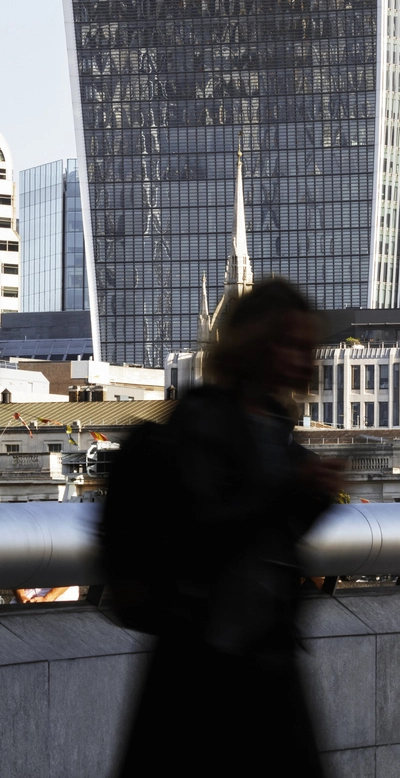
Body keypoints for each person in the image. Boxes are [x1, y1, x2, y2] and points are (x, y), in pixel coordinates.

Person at [113, 279, 342, 778]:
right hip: (203, 668)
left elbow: (268, 540)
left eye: (310, 347)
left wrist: (308, 501)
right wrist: (290, 492)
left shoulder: (277, 431)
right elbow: (206, 534)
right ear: (256, 345)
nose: (307, 360)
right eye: (293, 345)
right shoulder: (202, 424)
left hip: (261, 661)